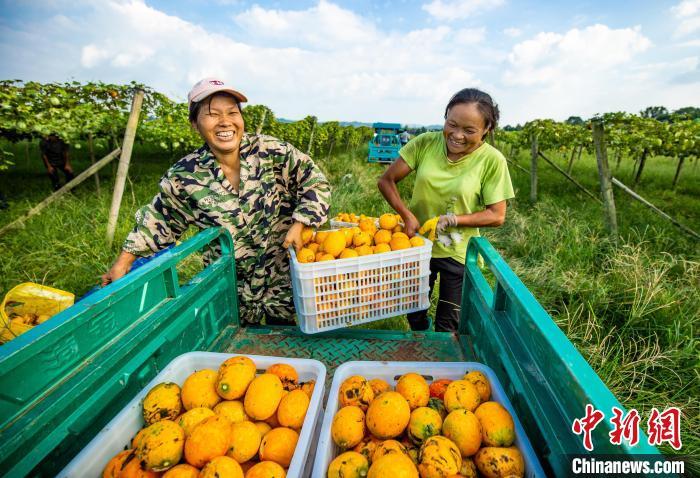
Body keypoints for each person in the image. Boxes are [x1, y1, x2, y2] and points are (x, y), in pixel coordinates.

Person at [101, 77, 331, 325]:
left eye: (232, 112)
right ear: (194, 124)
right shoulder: (185, 177)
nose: (225, 121)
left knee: (291, 346)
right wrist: (123, 263)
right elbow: (160, 219)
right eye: (212, 114)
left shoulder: (271, 151)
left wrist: (301, 222)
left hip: (284, 278)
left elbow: (315, 182)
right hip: (233, 289)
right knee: (239, 355)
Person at [377, 88, 514, 332]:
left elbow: (497, 215)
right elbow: (386, 181)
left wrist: (453, 219)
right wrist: (407, 215)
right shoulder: (425, 143)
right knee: (414, 314)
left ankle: (438, 365)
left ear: (486, 129)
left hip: (458, 251)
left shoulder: (492, 160)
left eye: (469, 130)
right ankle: (419, 348)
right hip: (417, 246)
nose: (457, 135)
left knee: (448, 323)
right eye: (452, 124)